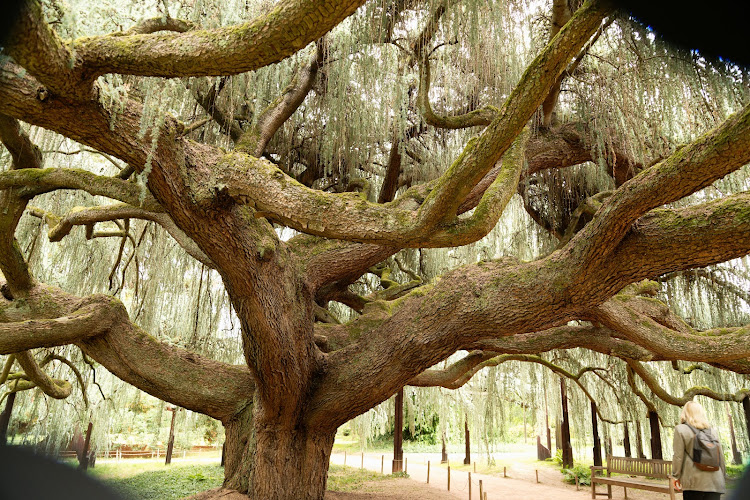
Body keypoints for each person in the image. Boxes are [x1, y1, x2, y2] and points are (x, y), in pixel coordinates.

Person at [672, 401, 726, 500]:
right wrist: (722, 477)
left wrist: (675, 476)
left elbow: (678, 456)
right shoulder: (712, 432)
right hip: (715, 481)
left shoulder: (680, 429)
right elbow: (720, 457)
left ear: (685, 413)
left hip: (694, 482)